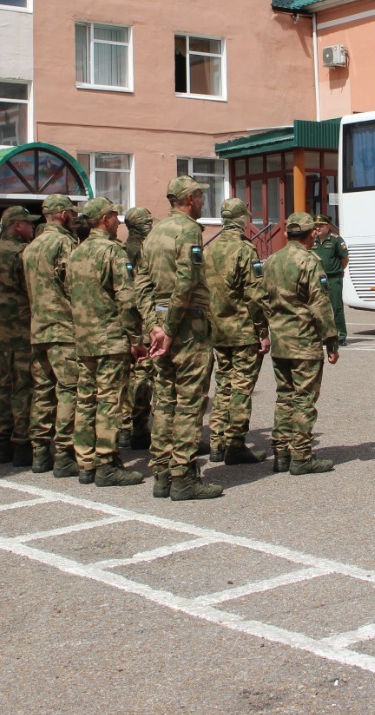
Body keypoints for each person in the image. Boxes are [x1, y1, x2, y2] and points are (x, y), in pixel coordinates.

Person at [136, 175, 221, 501]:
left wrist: (153, 324)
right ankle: (183, 477)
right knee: (188, 402)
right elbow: (186, 282)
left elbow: (141, 282)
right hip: (186, 328)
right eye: (200, 196)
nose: (203, 202)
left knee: (165, 401)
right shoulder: (188, 230)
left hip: (162, 325)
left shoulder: (155, 232)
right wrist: (169, 329)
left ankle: (162, 474)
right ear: (189, 198)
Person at [65, 197, 145, 487]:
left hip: (83, 339)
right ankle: (106, 463)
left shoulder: (77, 252)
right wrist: (136, 338)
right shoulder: (113, 251)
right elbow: (126, 298)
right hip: (109, 339)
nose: (118, 221)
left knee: (85, 400)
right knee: (109, 401)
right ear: (103, 219)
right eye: (114, 215)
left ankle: (85, 462)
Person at [262, 212, 339, 475]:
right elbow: (320, 303)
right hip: (304, 341)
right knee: (304, 399)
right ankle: (301, 457)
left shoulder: (271, 261)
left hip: (280, 340)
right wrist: (331, 341)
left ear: (286, 234)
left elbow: (260, 300)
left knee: (284, 397)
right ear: (311, 234)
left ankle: (281, 453)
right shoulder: (310, 261)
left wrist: (265, 330)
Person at [203, 197, 269, 464]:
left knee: (224, 384)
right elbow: (254, 294)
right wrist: (263, 331)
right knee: (242, 386)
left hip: (218, 329)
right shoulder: (245, 250)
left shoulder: (209, 250)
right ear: (242, 219)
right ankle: (236, 444)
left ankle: (217, 441)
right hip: (242, 330)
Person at [23, 193, 81, 476]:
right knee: (69, 389)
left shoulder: (32, 246)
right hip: (62, 327)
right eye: (71, 212)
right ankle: (64, 454)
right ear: (61, 214)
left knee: (43, 390)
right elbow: (72, 284)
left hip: (39, 327)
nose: (74, 216)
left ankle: (39, 453)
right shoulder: (63, 243)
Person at [0, 206, 37, 466]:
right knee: (24, 387)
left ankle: (2, 440)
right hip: (20, 327)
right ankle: (21, 443)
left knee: (4, 386)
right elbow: (31, 290)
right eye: (28, 224)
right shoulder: (20, 253)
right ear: (17, 226)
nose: (31, 227)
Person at [120, 206, 155, 449]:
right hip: (140, 319)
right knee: (143, 375)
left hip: (123, 320)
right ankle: (138, 428)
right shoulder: (141, 251)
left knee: (125, 376)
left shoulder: (121, 249)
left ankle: (123, 427)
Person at [310, 214, 350, 344]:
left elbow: (344, 259)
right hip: (317, 279)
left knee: (336, 307)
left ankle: (340, 335)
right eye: (316, 225)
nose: (318, 228)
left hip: (333, 278)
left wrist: (340, 270)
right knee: (318, 308)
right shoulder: (312, 240)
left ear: (327, 226)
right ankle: (323, 335)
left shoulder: (336, 240)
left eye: (321, 225)